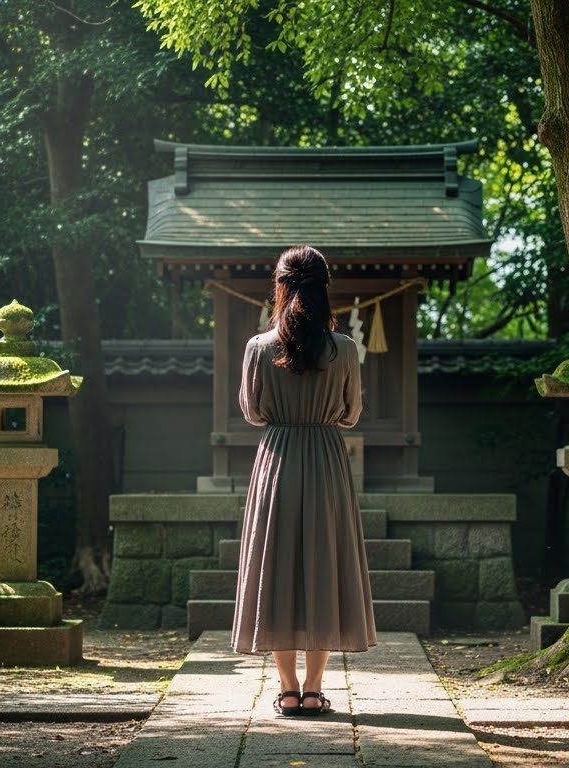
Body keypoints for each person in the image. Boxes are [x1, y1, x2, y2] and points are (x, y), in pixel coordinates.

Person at [232, 245, 377, 717]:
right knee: (324, 565)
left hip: (276, 461)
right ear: (323, 288)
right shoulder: (347, 350)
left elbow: (253, 414)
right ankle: (315, 689)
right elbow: (352, 414)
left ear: (280, 287)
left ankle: (288, 689)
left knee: (277, 566)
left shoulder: (259, 347)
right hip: (326, 461)